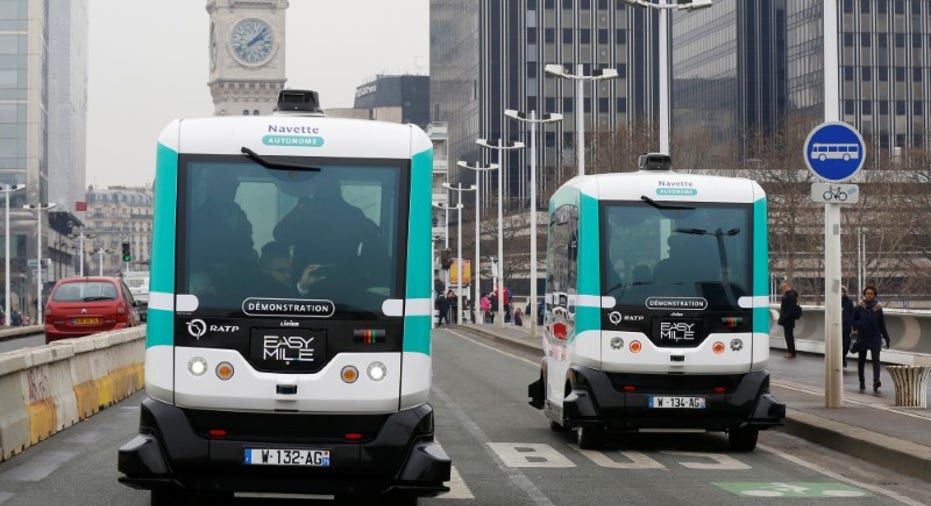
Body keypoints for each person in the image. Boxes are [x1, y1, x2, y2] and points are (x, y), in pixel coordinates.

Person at [273, 172, 382, 293]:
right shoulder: (306, 212)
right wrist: (301, 208)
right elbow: (280, 235)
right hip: (305, 284)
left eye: (327, 183)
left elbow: (372, 238)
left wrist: (361, 272)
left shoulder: (352, 214)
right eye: (321, 183)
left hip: (345, 285)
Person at [852, 285, 891, 393]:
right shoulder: (859, 307)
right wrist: (860, 324)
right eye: (867, 293)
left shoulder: (878, 308)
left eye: (871, 293)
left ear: (874, 295)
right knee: (861, 360)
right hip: (862, 336)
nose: (869, 295)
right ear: (864, 294)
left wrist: (887, 338)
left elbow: (882, 324)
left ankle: (876, 381)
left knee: (876, 360)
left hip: (875, 337)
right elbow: (853, 321)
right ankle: (862, 381)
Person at [778, 281, 800, 358]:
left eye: (785, 286)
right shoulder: (787, 295)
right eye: (782, 287)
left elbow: (790, 309)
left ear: (788, 286)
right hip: (787, 319)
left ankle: (791, 352)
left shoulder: (791, 295)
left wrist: (785, 317)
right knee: (788, 336)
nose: (783, 288)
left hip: (789, 319)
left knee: (789, 336)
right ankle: (791, 351)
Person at [841, 286, 854, 368]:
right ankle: (840, 360)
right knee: (838, 345)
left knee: (846, 345)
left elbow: (852, 313)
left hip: (847, 326)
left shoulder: (849, 301)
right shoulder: (834, 301)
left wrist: (851, 324)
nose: (841, 293)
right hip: (836, 327)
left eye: (842, 291)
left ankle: (842, 357)